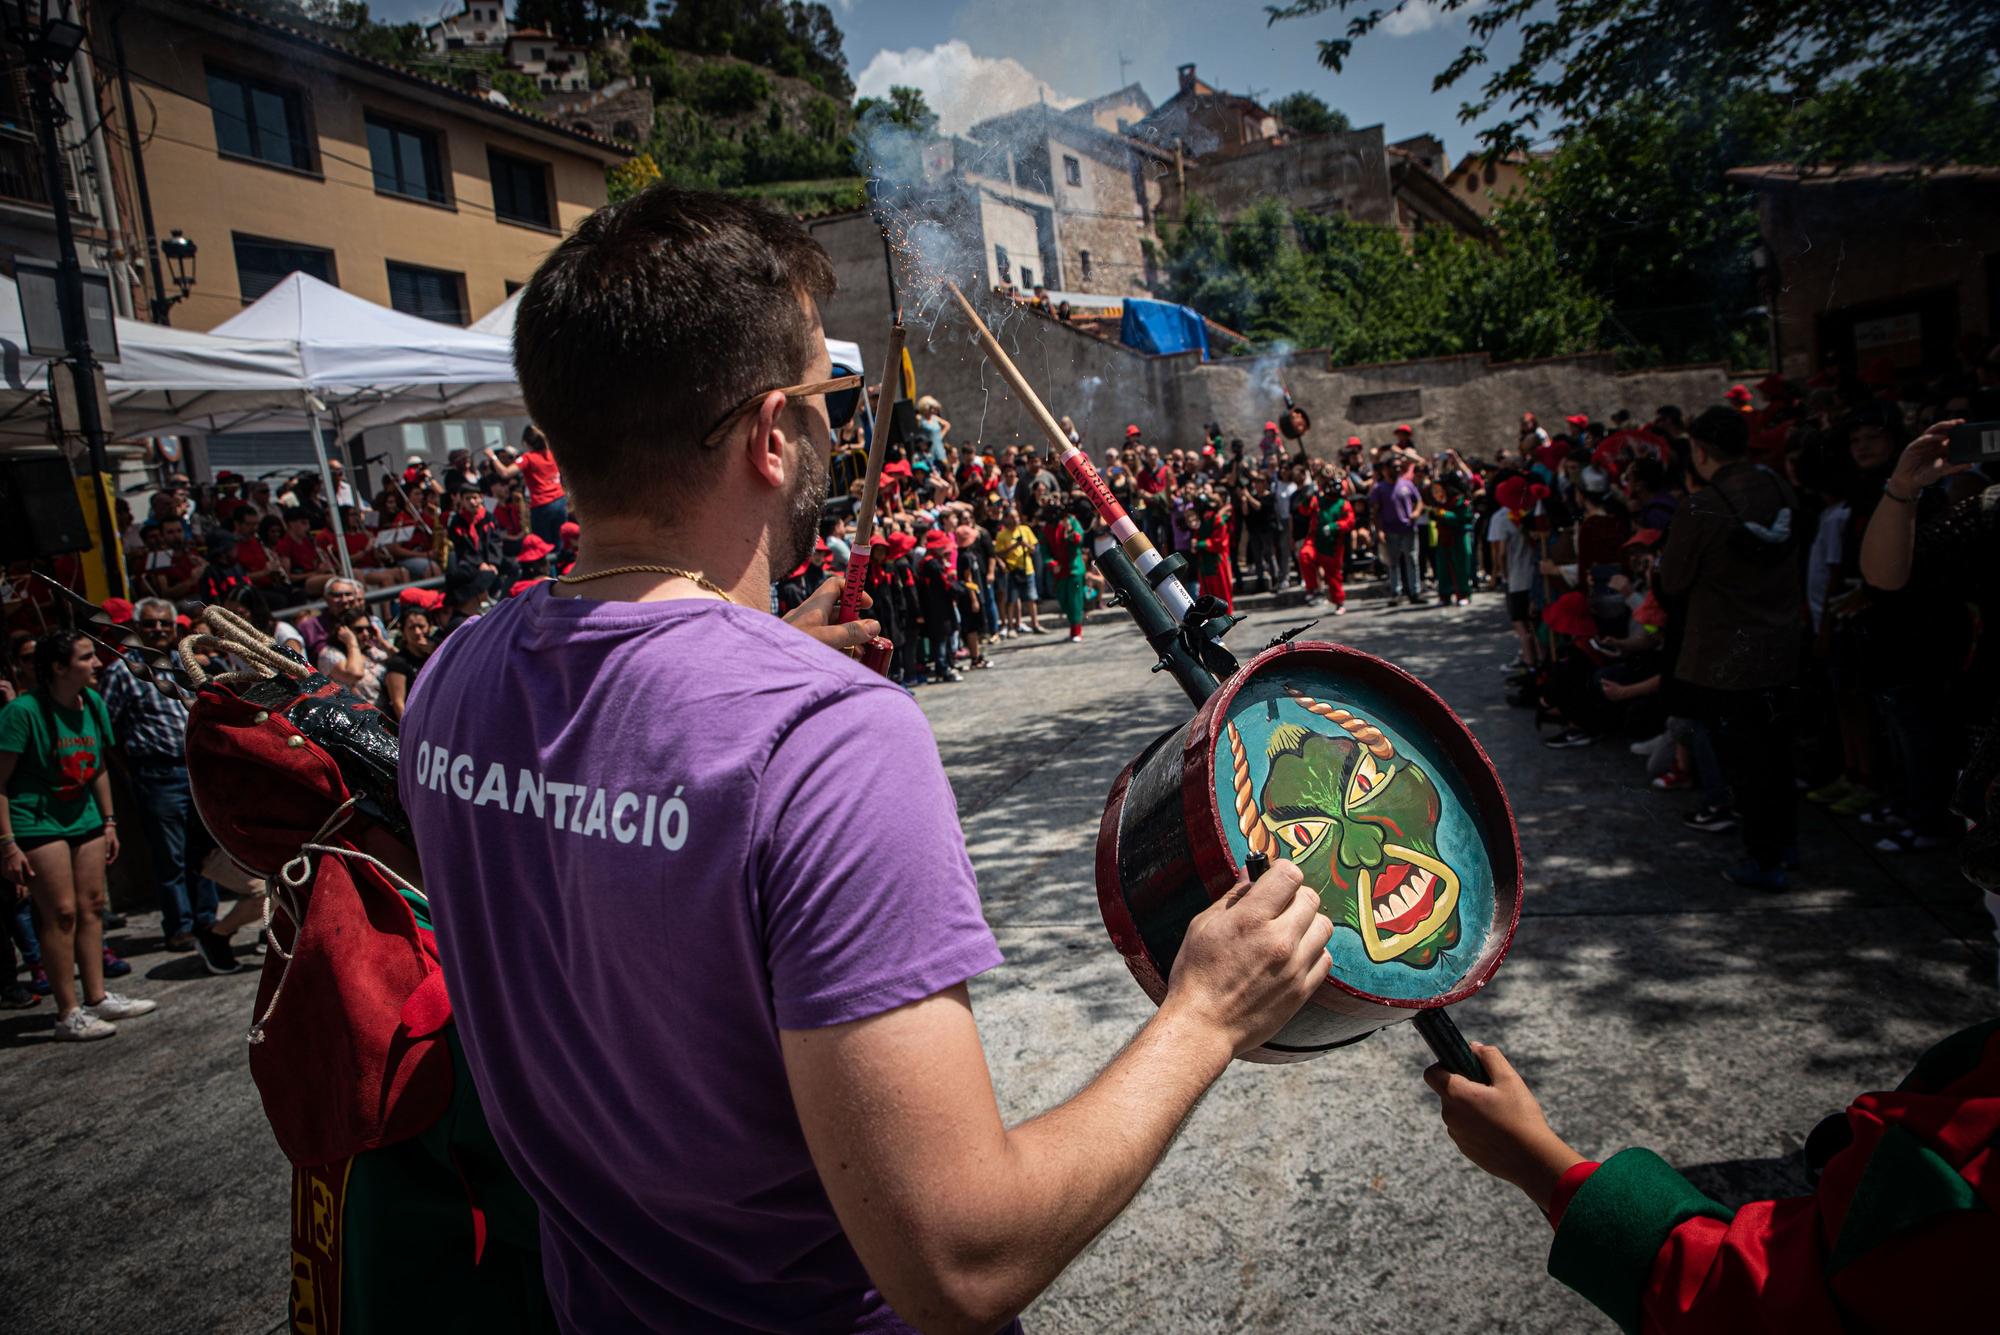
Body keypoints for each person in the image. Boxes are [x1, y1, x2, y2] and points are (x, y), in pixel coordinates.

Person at [401, 186, 1332, 1334]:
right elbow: (957, 1263)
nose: (839, 428)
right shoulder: (824, 740)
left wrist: (744, 671)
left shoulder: (450, 681)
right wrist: (1204, 1014)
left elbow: (604, 819)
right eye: (825, 396)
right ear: (766, 434)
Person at [1658, 405, 1801, 890]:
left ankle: (1763, 859)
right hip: (1783, 646)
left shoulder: (1701, 506)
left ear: (1699, 451)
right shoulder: (1783, 488)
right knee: (1779, 756)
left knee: (1745, 764)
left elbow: (1673, 580)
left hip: (1724, 656)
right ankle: (1786, 847)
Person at [0, 630, 158, 1041]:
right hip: (36, 823)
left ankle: (97, 996)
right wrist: (7, 844)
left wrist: (109, 821)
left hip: (85, 817)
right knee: (61, 913)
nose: (98, 664)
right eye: (87, 657)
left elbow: (101, 766)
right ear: (58, 667)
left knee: (92, 906)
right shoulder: (21, 713)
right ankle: (67, 1012)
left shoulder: (92, 704)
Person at [99, 598, 237, 974]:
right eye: (150, 624)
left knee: (207, 850)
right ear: (137, 627)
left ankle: (207, 920)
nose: (159, 630)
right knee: (171, 856)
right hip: (157, 774)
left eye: (164, 624)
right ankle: (179, 928)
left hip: (198, 769)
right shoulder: (122, 671)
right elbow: (106, 732)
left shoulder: (186, 664)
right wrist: (132, 770)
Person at [486, 425, 568, 548]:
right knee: (560, 542)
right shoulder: (552, 454)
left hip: (542, 505)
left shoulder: (528, 458)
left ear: (526, 442)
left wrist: (492, 457)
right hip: (560, 502)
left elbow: (505, 473)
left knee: (542, 546)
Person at [1371, 455, 1423, 604]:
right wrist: (1379, 530)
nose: (1398, 469)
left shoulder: (1407, 484)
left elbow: (1418, 501)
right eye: (1394, 467)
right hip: (1390, 530)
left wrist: (1416, 513)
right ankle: (1396, 592)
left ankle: (1415, 592)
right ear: (1386, 469)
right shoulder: (1379, 489)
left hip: (1408, 528)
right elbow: (1375, 512)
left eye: (1400, 467)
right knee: (1393, 562)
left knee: (1412, 559)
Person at [381, 602, 439, 723]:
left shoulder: (439, 651)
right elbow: (398, 703)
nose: (417, 632)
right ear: (403, 631)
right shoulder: (398, 663)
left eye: (421, 626)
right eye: (412, 628)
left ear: (430, 626)